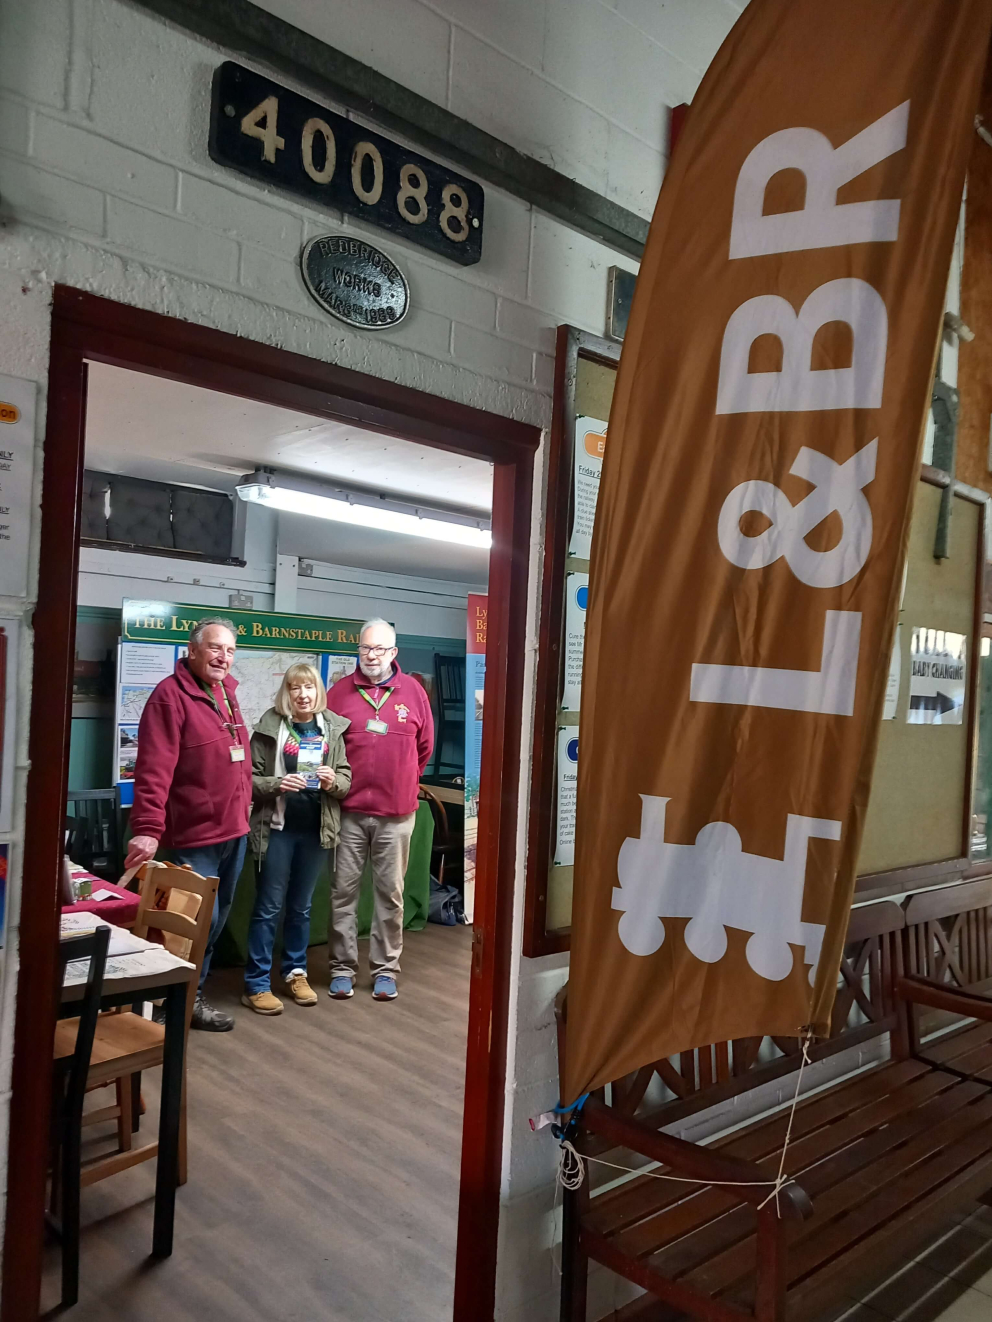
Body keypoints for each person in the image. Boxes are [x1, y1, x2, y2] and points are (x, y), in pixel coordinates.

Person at [125, 617, 251, 1032]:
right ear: (192, 650)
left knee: (215, 921)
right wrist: (147, 826)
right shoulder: (169, 697)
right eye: (215, 648)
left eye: (230, 651)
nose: (223, 657)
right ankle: (169, 1002)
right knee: (188, 924)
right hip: (194, 837)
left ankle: (189, 996)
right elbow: (153, 770)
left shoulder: (226, 693)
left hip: (234, 831)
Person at [325, 619, 434, 1001]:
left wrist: (400, 780)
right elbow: (325, 746)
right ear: (358, 649)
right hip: (348, 813)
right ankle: (341, 968)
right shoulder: (338, 693)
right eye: (365, 648)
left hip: (397, 815)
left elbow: (424, 749)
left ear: (394, 653)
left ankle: (386, 970)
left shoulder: (414, 693)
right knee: (343, 894)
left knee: (391, 895)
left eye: (380, 649)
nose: (372, 656)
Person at [244, 663, 352, 1015]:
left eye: (308, 687)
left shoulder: (332, 728)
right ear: (286, 692)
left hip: (315, 832)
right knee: (268, 909)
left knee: (301, 908)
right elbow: (249, 781)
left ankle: (295, 972)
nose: (303, 694)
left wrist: (331, 779)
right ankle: (257, 983)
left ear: (318, 691)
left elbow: (346, 782)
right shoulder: (269, 726)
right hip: (277, 831)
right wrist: (278, 783)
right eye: (295, 688)